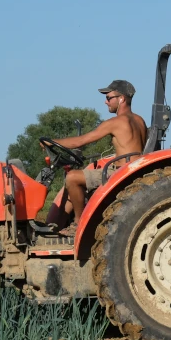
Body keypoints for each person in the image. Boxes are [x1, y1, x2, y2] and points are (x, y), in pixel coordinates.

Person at [43, 80, 147, 236]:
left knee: (72, 178)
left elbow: (81, 141)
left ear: (122, 99)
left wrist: (50, 142)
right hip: (132, 169)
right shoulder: (140, 120)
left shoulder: (116, 122)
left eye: (109, 97)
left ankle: (78, 224)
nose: (106, 102)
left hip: (120, 172)